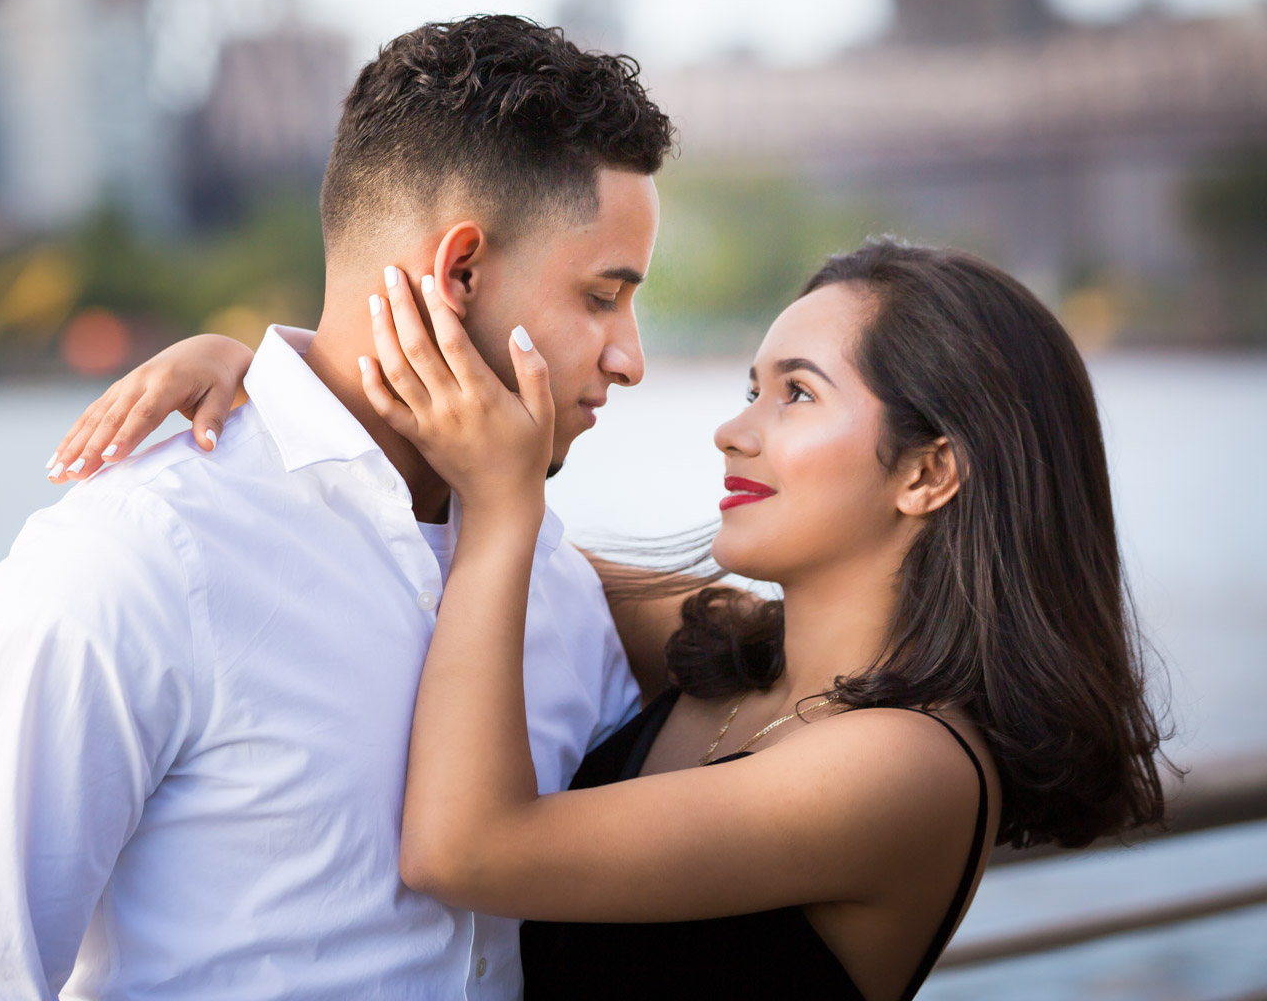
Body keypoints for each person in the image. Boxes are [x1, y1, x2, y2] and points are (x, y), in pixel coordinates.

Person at [70, 238, 1169, 1000]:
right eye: (752, 385)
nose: (732, 433)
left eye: (795, 394)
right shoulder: (736, 650)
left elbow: (464, 848)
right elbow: (415, 527)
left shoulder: (907, 768)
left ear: (929, 471)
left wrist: (510, 505)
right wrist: (279, 385)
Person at [0, 15, 676, 1000]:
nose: (630, 359)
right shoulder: (136, 563)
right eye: (604, 297)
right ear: (459, 273)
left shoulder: (545, 578)